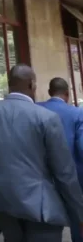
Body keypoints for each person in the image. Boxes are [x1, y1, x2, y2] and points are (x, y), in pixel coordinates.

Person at [0, 65, 83, 242]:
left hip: (4, 202)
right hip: (41, 207)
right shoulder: (46, 117)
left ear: (9, 84)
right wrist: (79, 211)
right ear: (32, 84)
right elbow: (64, 172)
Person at [38, 78, 83, 242]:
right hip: (74, 178)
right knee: (78, 219)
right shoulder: (77, 113)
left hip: (42, 179)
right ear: (67, 94)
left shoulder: (36, 109)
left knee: (44, 226)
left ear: (49, 93)